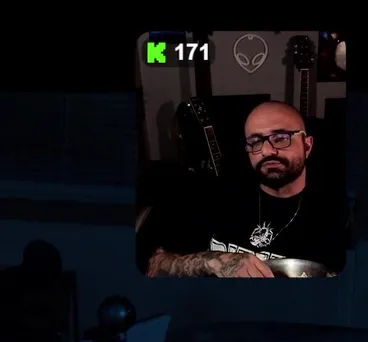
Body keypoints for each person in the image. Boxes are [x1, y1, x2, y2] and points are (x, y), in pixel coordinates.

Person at [145, 101, 345, 278]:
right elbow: (155, 266)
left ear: (307, 146)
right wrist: (213, 261)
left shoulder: (338, 216)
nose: (267, 151)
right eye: (256, 141)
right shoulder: (216, 197)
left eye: (281, 138)